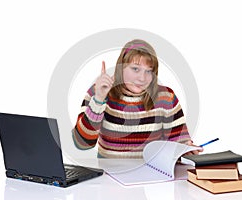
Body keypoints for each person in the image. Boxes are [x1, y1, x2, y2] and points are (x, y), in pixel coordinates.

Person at [72, 39, 203, 158]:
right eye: (135, 69)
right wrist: (99, 99)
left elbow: (178, 143)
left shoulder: (165, 97)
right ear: (121, 67)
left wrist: (186, 148)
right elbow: (82, 144)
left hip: (153, 175)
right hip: (108, 176)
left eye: (148, 71)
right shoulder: (99, 91)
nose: (142, 78)